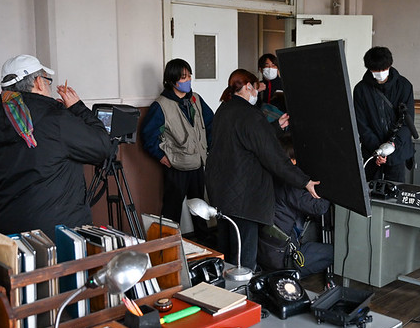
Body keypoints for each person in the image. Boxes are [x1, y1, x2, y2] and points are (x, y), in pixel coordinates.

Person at [0, 54, 114, 241]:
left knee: (25, 271)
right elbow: (104, 147)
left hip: (9, 230)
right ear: (39, 82)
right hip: (59, 233)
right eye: (47, 81)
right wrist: (77, 108)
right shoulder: (55, 120)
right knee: (66, 272)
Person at [206, 69, 320, 271]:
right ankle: (244, 296)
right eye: (256, 87)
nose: (257, 92)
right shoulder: (251, 116)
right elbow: (275, 158)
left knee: (228, 250)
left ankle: (226, 295)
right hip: (244, 198)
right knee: (245, 257)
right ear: (248, 86)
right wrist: (305, 181)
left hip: (222, 192)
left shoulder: (224, 109)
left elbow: (247, 139)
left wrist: (276, 127)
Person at [139, 58, 214, 244]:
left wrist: (209, 148)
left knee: (200, 209)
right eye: (183, 77)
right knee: (172, 211)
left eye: (189, 76)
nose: (188, 80)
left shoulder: (195, 99)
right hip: (177, 167)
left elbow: (211, 122)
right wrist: (162, 157)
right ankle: (167, 246)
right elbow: (147, 135)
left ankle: (205, 245)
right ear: (172, 80)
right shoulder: (161, 105)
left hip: (197, 165)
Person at [258, 135, 333, 277]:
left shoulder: (265, 174)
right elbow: (319, 207)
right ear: (292, 161)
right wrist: (329, 187)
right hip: (283, 256)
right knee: (333, 252)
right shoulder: (290, 183)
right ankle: (291, 274)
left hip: (264, 249)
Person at [353, 46, 415, 183]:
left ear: (390, 65)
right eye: (376, 70)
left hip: (398, 150)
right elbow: (361, 124)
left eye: (383, 69)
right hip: (372, 151)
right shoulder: (361, 90)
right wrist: (378, 151)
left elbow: (408, 122)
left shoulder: (404, 86)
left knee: (395, 190)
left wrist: (392, 145)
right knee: (370, 190)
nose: (380, 73)